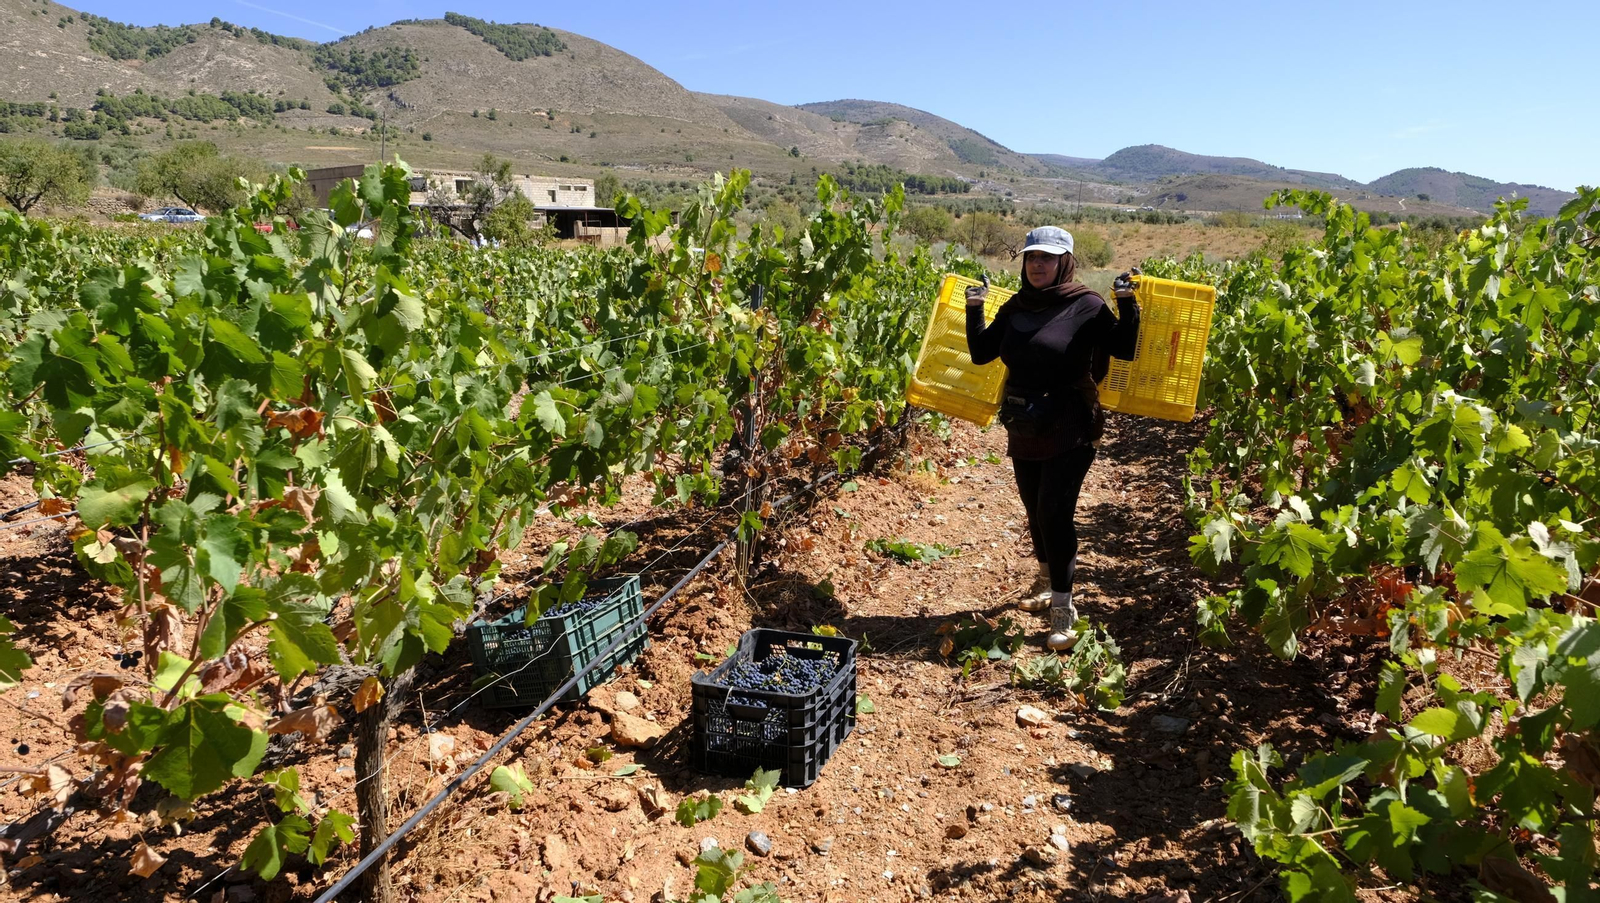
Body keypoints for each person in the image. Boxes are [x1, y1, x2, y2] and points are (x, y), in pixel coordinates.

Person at [964, 226, 1140, 651]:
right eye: (1031, 257)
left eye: (1046, 257)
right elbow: (982, 352)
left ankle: (1064, 608)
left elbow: (1125, 347)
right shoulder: (1016, 306)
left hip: (1070, 423)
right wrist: (975, 308)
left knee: (1053, 512)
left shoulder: (1086, 305)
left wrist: (1126, 301)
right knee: (1033, 507)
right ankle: (1046, 581)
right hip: (1024, 422)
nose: (1037, 264)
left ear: (1065, 262)